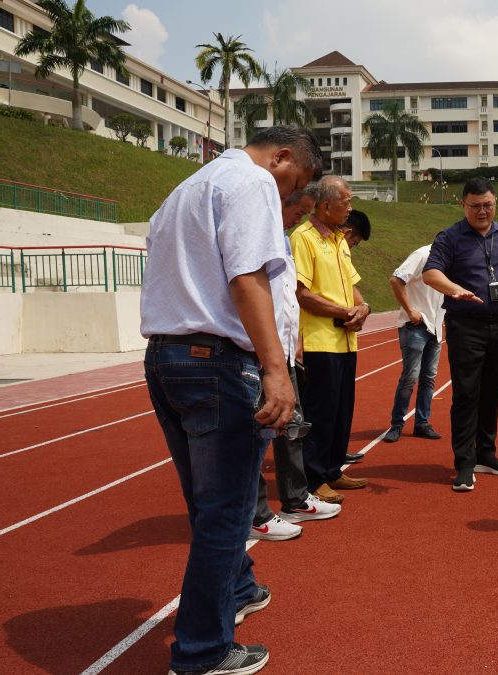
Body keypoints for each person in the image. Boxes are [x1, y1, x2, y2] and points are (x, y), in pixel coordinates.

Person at [141, 125, 321, 675]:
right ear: (283, 156)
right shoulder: (250, 182)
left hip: (169, 358)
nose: (291, 193)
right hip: (218, 362)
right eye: (296, 180)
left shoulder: (188, 188)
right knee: (226, 513)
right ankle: (200, 652)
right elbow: (247, 278)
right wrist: (276, 369)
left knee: (211, 502)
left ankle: (239, 589)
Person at [423, 177, 498, 491]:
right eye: (475, 206)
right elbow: (431, 273)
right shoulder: (450, 237)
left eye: (488, 205)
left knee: (493, 392)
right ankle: (464, 462)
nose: (482, 212)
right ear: (463, 205)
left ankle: (486, 453)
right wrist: (456, 290)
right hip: (465, 326)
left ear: (495, 203)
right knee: (467, 394)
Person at [249, 184, 343, 542]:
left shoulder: (283, 240)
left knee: (292, 427)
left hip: (284, 349)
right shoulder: (257, 236)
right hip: (260, 351)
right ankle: (257, 513)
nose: (299, 219)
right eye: (299, 212)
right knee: (257, 435)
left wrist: (296, 339)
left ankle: (295, 498)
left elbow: (286, 298)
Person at [290, 175, 371, 505]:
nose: (350, 209)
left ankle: (333, 469)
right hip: (320, 341)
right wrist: (343, 312)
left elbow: (352, 286)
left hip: (345, 342)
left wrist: (362, 307)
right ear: (325, 206)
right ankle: (313, 477)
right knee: (320, 413)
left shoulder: (339, 240)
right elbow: (301, 293)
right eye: (346, 202)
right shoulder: (303, 238)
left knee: (341, 411)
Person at [382, 244, 445, 442]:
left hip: (436, 328)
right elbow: (395, 279)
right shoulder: (422, 254)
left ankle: (422, 423)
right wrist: (410, 310)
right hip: (416, 325)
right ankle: (397, 424)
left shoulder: (449, 260)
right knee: (410, 377)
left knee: (429, 378)